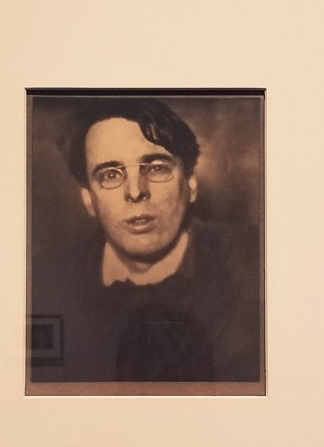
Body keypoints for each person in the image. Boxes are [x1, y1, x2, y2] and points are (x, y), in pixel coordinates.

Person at [29, 97, 262, 383]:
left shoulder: (258, 264)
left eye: (156, 168)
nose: (136, 191)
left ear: (190, 183)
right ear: (88, 198)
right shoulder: (42, 283)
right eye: (110, 174)